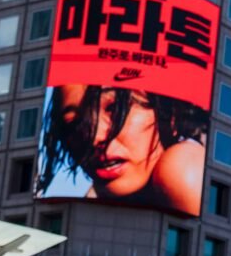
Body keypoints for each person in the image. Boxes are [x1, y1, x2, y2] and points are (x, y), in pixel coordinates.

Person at [37, 84, 207, 215]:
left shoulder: (184, 167)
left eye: (116, 109)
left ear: (171, 113)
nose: (94, 138)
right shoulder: (93, 206)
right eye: (74, 122)